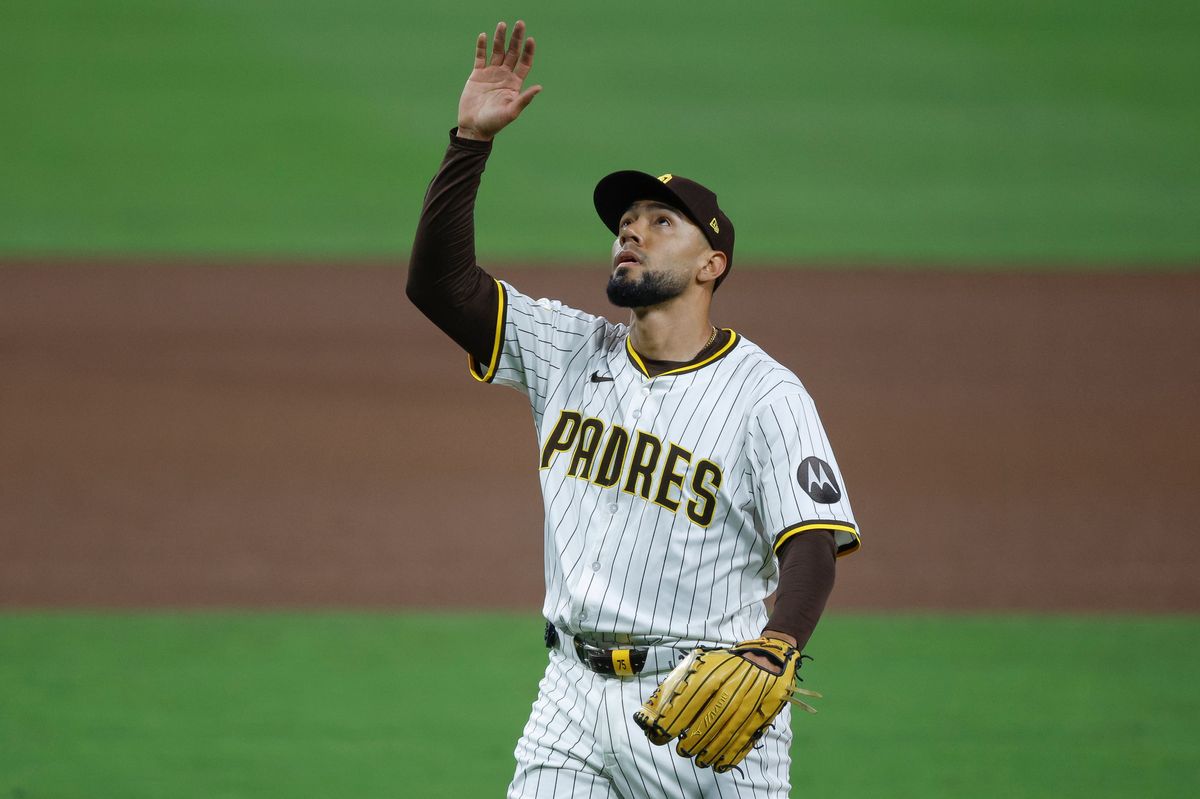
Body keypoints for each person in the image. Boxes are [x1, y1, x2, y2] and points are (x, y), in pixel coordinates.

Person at [408, 21, 861, 799]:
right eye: (625, 225)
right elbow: (438, 286)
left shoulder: (767, 393)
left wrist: (778, 643)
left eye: (660, 223)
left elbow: (812, 541)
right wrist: (469, 143)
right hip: (570, 701)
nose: (631, 234)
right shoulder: (564, 348)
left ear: (710, 264)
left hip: (710, 704)